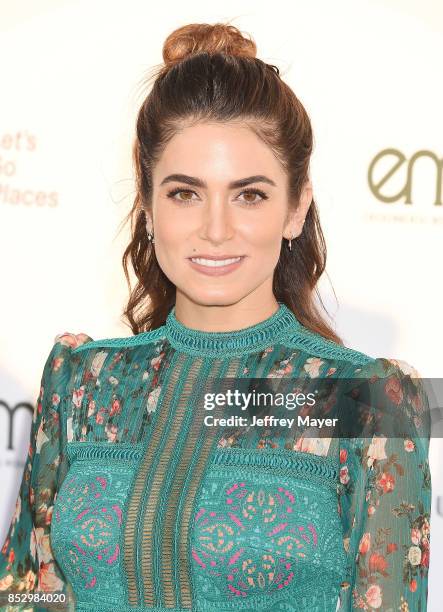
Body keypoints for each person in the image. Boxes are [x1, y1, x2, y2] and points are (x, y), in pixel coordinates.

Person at [0, 21, 431, 612]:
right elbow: (26, 590)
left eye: (249, 194)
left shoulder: (363, 400)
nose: (216, 229)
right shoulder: (81, 379)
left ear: (296, 208)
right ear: (148, 206)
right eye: (185, 193)